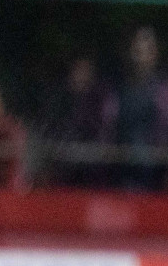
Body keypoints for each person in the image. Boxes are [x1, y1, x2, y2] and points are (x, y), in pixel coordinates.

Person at [110, 27, 168, 193]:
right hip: (119, 181)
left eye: (146, 50)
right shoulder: (113, 92)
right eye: (137, 50)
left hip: (160, 182)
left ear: (155, 53)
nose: (140, 56)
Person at [39, 57, 114, 187]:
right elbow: (49, 131)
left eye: (84, 71)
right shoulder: (59, 100)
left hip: (91, 174)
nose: (79, 75)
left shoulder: (99, 100)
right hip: (62, 172)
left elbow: (103, 134)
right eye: (77, 70)